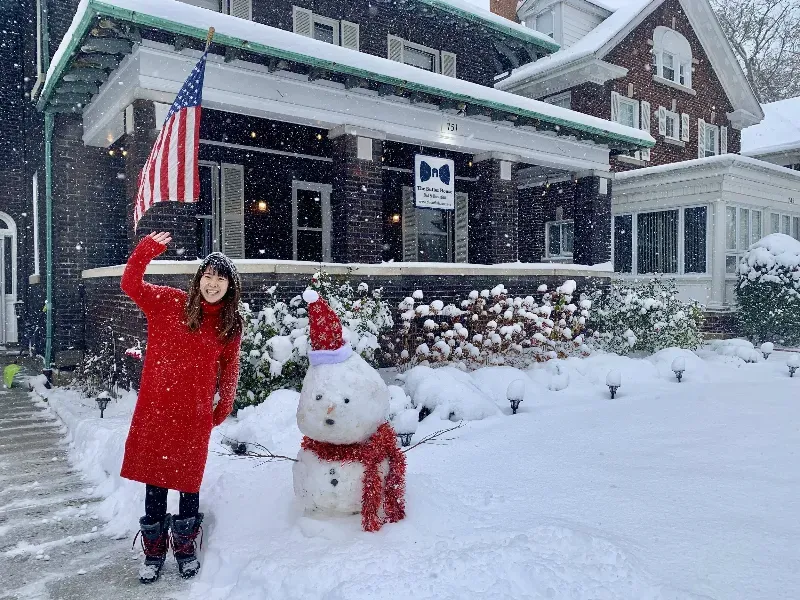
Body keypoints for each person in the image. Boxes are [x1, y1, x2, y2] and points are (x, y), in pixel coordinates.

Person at [121, 231, 243, 583]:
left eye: (221, 278)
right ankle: (154, 552)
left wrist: (221, 407)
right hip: (157, 411)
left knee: (189, 485)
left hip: (193, 416)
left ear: (229, 286)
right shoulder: (168, 302)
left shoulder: (228, 325)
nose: (213, 283)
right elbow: (131, 284)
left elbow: (230, 367)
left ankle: (186, 549)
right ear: (199, 279)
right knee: (156, 484)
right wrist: (147, 250)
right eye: (208, 275)